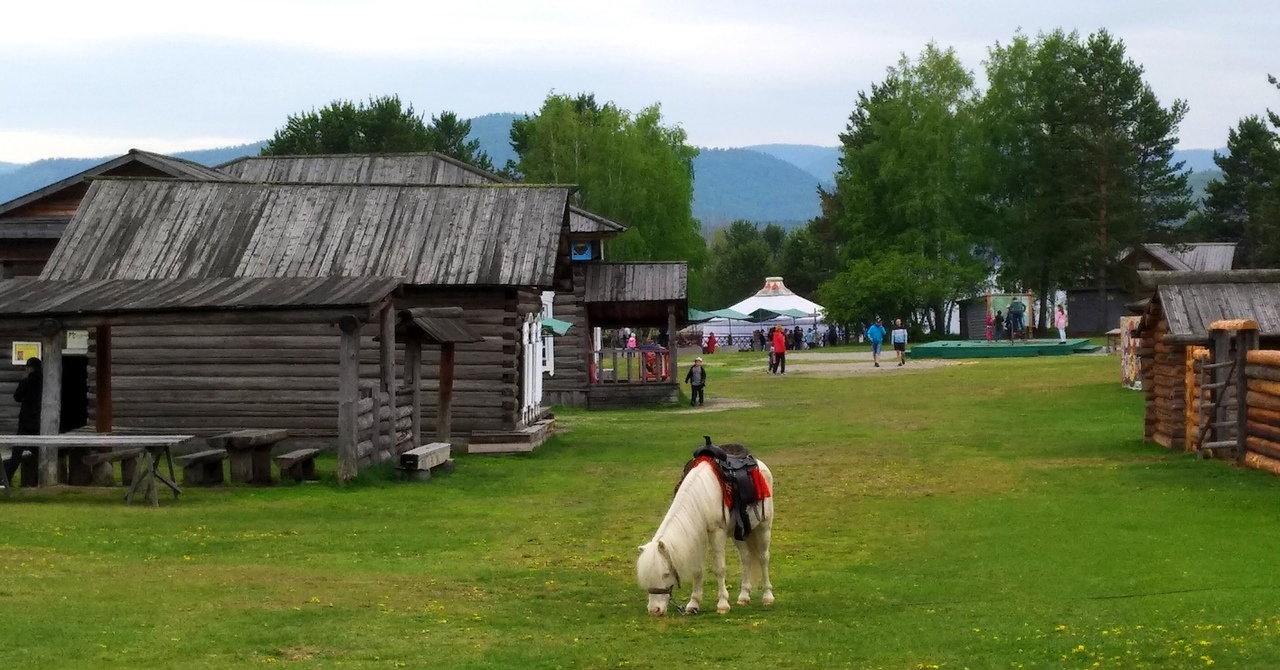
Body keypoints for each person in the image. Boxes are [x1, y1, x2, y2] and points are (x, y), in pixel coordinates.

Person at [7, 357, 42, 486]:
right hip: (39, 422)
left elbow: (17, 397)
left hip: (26, 422)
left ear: (30, 368)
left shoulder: (25, 382)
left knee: (16, 455)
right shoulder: (44, 383)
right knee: (40, 452)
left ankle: (5, 480)